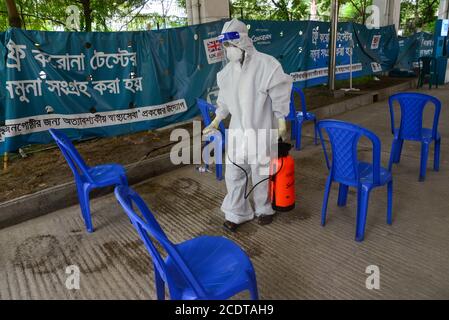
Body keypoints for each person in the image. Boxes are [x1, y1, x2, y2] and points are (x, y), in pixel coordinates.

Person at [203, 18, 292, 232]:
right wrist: (216, 121)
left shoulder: (267, 65)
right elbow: (223, 102)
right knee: (234, 172)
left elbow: (280, 94)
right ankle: (236, 212)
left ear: (243, 43)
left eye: (231, 46)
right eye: (225, 47)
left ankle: (263, 208)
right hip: (237, 133)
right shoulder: (226, 74)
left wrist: (281, 122)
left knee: (261, 172)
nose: (228, 51)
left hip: (262, 129)